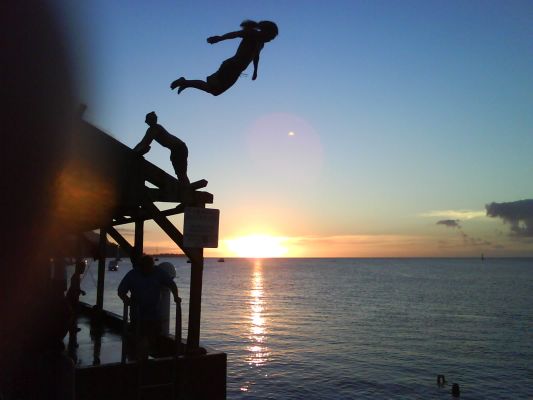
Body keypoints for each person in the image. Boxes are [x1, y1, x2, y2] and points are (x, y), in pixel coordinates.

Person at [170, 19, 278, 96]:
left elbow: (256, 56)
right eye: (271, 36)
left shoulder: (261, 44)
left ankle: (185, 83)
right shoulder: (252, 34)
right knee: (213, 88)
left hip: (236, 71)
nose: (271, 40)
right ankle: (185, 82)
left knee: (215, 91)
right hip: (231, 67)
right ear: (265, 31)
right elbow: (235, 34)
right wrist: (220, 38)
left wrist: (255, 71)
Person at [118, 255, 179, 357]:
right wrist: (127, 301)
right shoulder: (133, 274)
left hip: (153, 313)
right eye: (145, 268)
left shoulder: (158, 272)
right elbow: (121, 291)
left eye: (149, 267)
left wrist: (176, 297)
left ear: (152, 266)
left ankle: (145, 355)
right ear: (140, 266)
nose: (147, 270)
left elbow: (171, 284)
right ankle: (138, 357)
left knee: (151, 337)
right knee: (138, 336)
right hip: (137, 313)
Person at [133, 112, 190, 185]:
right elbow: (143, 142)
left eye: (149, 119)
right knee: (180, 173)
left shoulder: (155, 128)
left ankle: (186, 189)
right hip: (175, 150)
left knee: (181, 173)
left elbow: (145, 143)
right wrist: (134, 151)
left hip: (180, 148)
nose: (146, 122)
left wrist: (133, 152)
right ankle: (186, 187)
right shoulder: (152, 129)